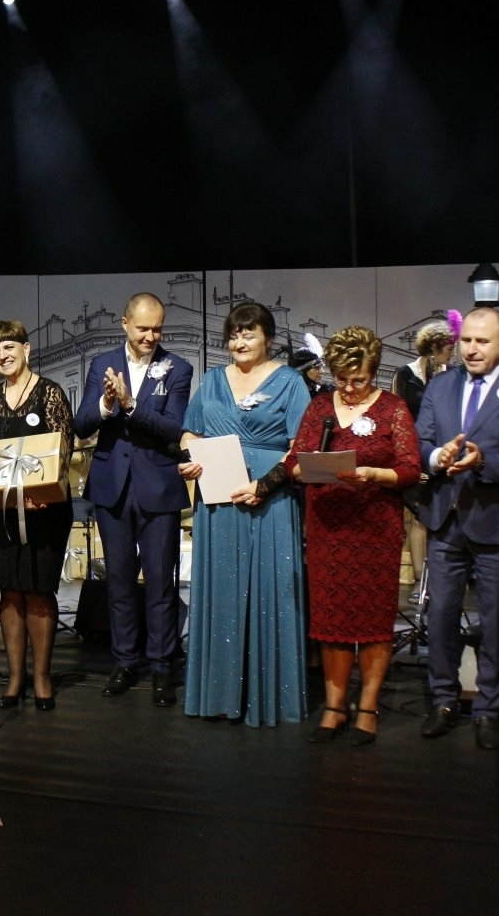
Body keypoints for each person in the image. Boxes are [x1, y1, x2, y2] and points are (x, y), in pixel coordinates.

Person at [417, 307, 499, 750]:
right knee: (440, 616)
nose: (471, 349)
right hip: (446, 520)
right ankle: (443, 701)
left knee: (495, 622)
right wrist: (437, 457)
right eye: (467, 340)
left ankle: (489, 708)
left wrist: (483, 461)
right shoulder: (439, 386)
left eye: (482, 341)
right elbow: (419, 443)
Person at [177, 301, 310, 726]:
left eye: (248, 333)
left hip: (271, 500)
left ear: (268, 337)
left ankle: (268, 697)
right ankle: (219, 695)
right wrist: (189, 460)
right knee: (221, 591)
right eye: (234, 335)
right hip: (218, 502)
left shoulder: (290, 382)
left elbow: (302, 447)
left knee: (272, 591)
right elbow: (189, 433)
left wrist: (264, 485)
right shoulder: (212, 381)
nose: (239, 341)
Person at [287, 326, 421, 744]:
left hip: (375, 529)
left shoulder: (393, 408)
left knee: (374, 621)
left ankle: (367, 706)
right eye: (342, 378)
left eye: (358, 380)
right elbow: (293, 463)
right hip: (328, 529)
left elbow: (410, 468)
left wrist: (373, 475)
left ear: (374, 371)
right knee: (331, 620)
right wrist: (306, 469)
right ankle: (334, 706)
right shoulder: (319, 408)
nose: (348, 388)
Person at [73, 292, 192, 707]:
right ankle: (124, 662)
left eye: (157, 329)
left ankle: (161, 666)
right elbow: (81, 423)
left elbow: (174, 427)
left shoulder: (178, 368)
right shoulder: (102, 363)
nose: (150, 336)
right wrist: (107, 403)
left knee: (160, 583)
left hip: (157, 487)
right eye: (143, 328)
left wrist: (131, 403)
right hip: (112, 486)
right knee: (119, 582)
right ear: (125, 323)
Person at [0, 319, 74, 711]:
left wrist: (41, 491)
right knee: (10, 591)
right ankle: (15, 676)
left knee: (39, 590)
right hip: (0, 512)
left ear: (26, 349)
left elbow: (63, 448)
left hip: (44, 511)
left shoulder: (50, 392)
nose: (3, 354)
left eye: (9, 346)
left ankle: (42, 676)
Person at [391, 319, 455, 581]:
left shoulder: (451, 376)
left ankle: (441, 578)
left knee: (444, 516)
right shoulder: (406, 374)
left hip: (444, 452)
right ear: (434, 347)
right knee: (419, 515)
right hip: (415, 450)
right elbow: (399, 414)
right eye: (448, 348)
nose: (452, 353)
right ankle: (420, 580)